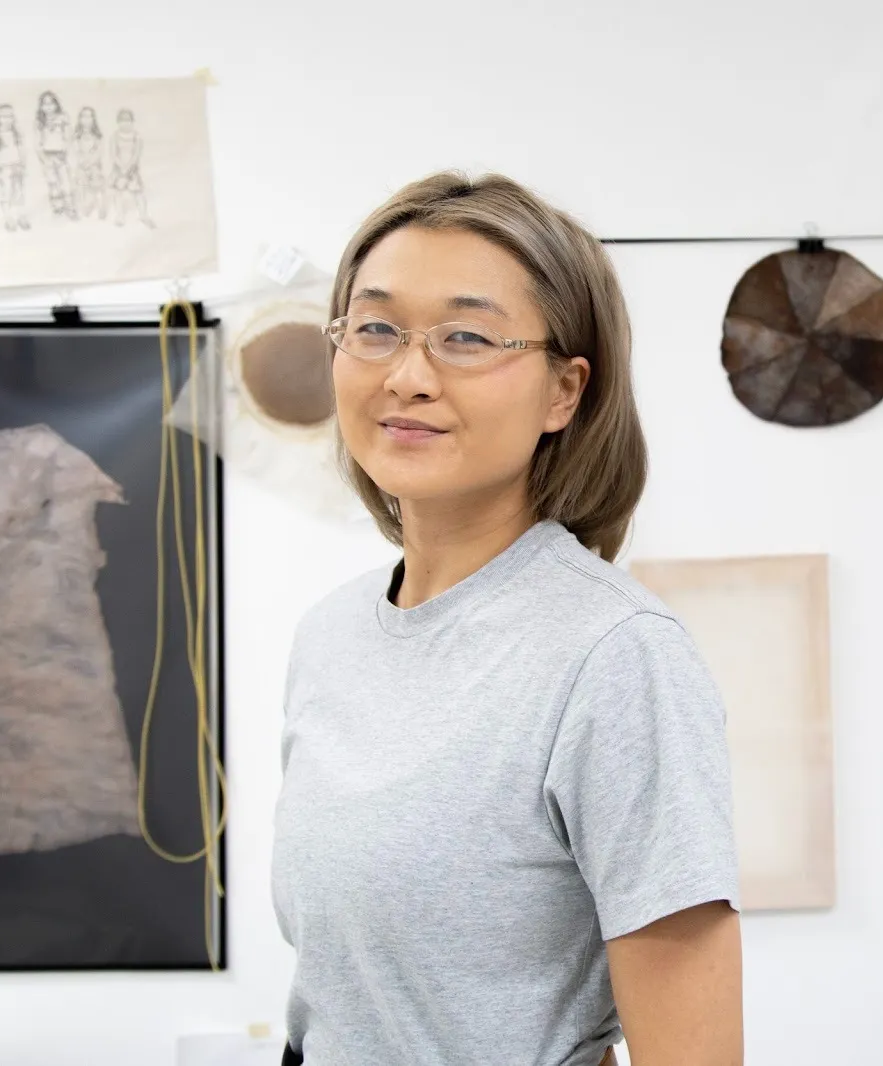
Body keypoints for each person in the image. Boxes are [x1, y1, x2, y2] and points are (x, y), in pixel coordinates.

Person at [272, 172, 744, 1066]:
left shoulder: (614, 655)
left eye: (467, 337)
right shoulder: (328, 638)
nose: (408, 376)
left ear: (564, 392)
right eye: (375, 328)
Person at [109, 109, 153, 228]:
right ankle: (120, 216)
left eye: (128, 120)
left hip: (132, 170)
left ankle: (143, 215)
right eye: (122, 120)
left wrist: (128, 167)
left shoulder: (136, 136)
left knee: (138, 192)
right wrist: (121, 167)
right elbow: (113, 154)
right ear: (118, 122)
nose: (125, 123)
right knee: (118, 192)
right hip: (118, 169)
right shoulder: (115, 136)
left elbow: (136, 154)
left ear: (132, 121)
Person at [0, 104, 29, 232]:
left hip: (17, 166)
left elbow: (22, 150)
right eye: (4, 117)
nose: (7, 119)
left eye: (10, 116)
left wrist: (23, 165)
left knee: (19, 192)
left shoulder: (16, 133)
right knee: (6, 194)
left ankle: (20, 216)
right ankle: (8, 218)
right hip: (4, 168)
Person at [33, 90, 73, 219]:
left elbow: (68, 137)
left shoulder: (63, 117)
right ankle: (57, 208)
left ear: (56, 105)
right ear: (41, 106)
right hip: (47, 156)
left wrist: (65, 152)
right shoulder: (39, 121)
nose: (48, 107)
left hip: (61, 155)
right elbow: (37, 142)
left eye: (51, 103)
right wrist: (43, 158)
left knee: (65, 182)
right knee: (52, 182)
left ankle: (70, 207)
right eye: (44, 104)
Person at [71, 106, 107, 220]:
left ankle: (101, 207)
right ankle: (85, 207)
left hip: (95, 166)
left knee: (97, 185)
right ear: (79, 119)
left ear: (93, 119)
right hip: (81, 166)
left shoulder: (97, 136)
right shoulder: (77, 136)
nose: (86, 119)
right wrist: (82, 162)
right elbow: (76, 151)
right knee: (81, 184)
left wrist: (90, 163)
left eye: (89, 116)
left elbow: (99, 152)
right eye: (83, 116)